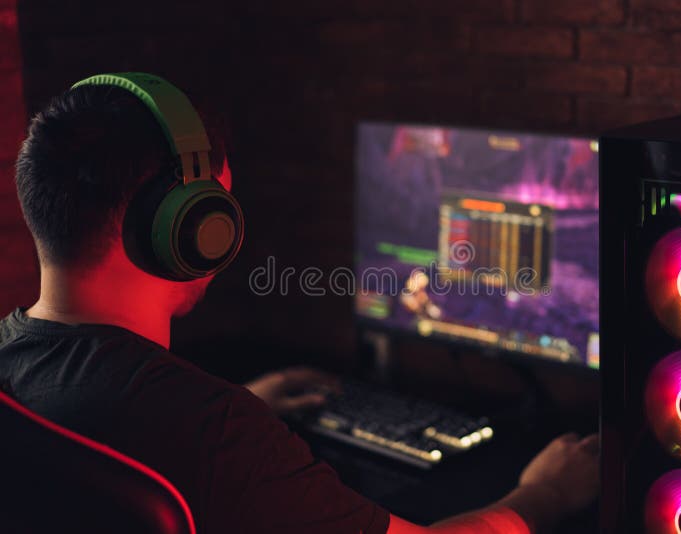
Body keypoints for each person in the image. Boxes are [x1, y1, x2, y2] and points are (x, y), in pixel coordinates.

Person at [0, 80, 599, 534]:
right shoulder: (215, 431)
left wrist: (248, 414)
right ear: (191, 231)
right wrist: (540, 497)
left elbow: (122, 439)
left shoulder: (12, 360)